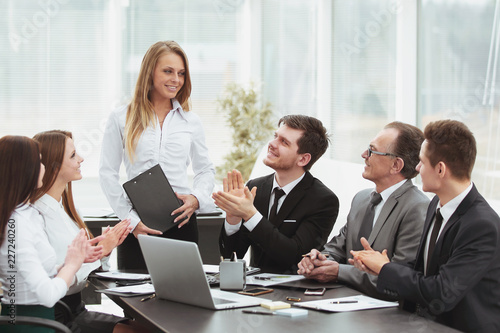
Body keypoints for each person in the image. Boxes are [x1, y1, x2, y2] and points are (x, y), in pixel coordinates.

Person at [351, 120, 500, 332]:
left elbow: (441, 292)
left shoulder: (482, 225)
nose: (418, 168)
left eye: (421, 161)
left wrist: (386, 268)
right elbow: (423, 271)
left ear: (440, 169)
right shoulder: (435, 205)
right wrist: (380, 266)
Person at [99, 41, 215, 269]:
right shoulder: (121, 117)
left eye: (181, 73)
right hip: (136, 227)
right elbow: (107, 173)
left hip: (182, 223)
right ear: (150, 72)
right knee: (134, 300)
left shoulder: (191, 121)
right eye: (168, 71)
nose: (176, 80)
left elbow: (205, 170)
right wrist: (131, 221)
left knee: (182, 298)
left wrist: (195, 199)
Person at [297, 122, 429, 299]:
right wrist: (317, 260)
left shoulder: (417, 207)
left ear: (396, 165)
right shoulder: (361, 199)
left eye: (372, 150)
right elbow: (338, 248)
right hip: (343, 306)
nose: (364, 155)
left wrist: (339, 272)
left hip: (389, 318)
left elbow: (398, 277)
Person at [32, 130, 141, 333]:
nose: (81, 159)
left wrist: (104, 251)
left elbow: (79, 267)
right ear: (54, 166)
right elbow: (58, 281)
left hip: (76, 310)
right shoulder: (37, 216)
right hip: (57, 316)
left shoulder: (66, 211)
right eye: (73, 155)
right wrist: (100, 252)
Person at [0, 135, 102, 332]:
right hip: (31, 325)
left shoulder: (24, 214)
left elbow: (32, 274)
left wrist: (75, 260)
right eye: (39, 161)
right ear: (24, 170)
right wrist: (72, 265)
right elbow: (47, 294)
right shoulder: (17, 223)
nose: (44, 167)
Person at [213, 115, 339, 273]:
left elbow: (295, 256)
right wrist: (234, 218)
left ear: (303, 159)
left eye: (284, 142)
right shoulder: (255, 187)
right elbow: (232, 255)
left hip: (295, 292)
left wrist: (250, 214)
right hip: (253, 290)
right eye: (275, 137)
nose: (272, 144)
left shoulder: (323, 200)